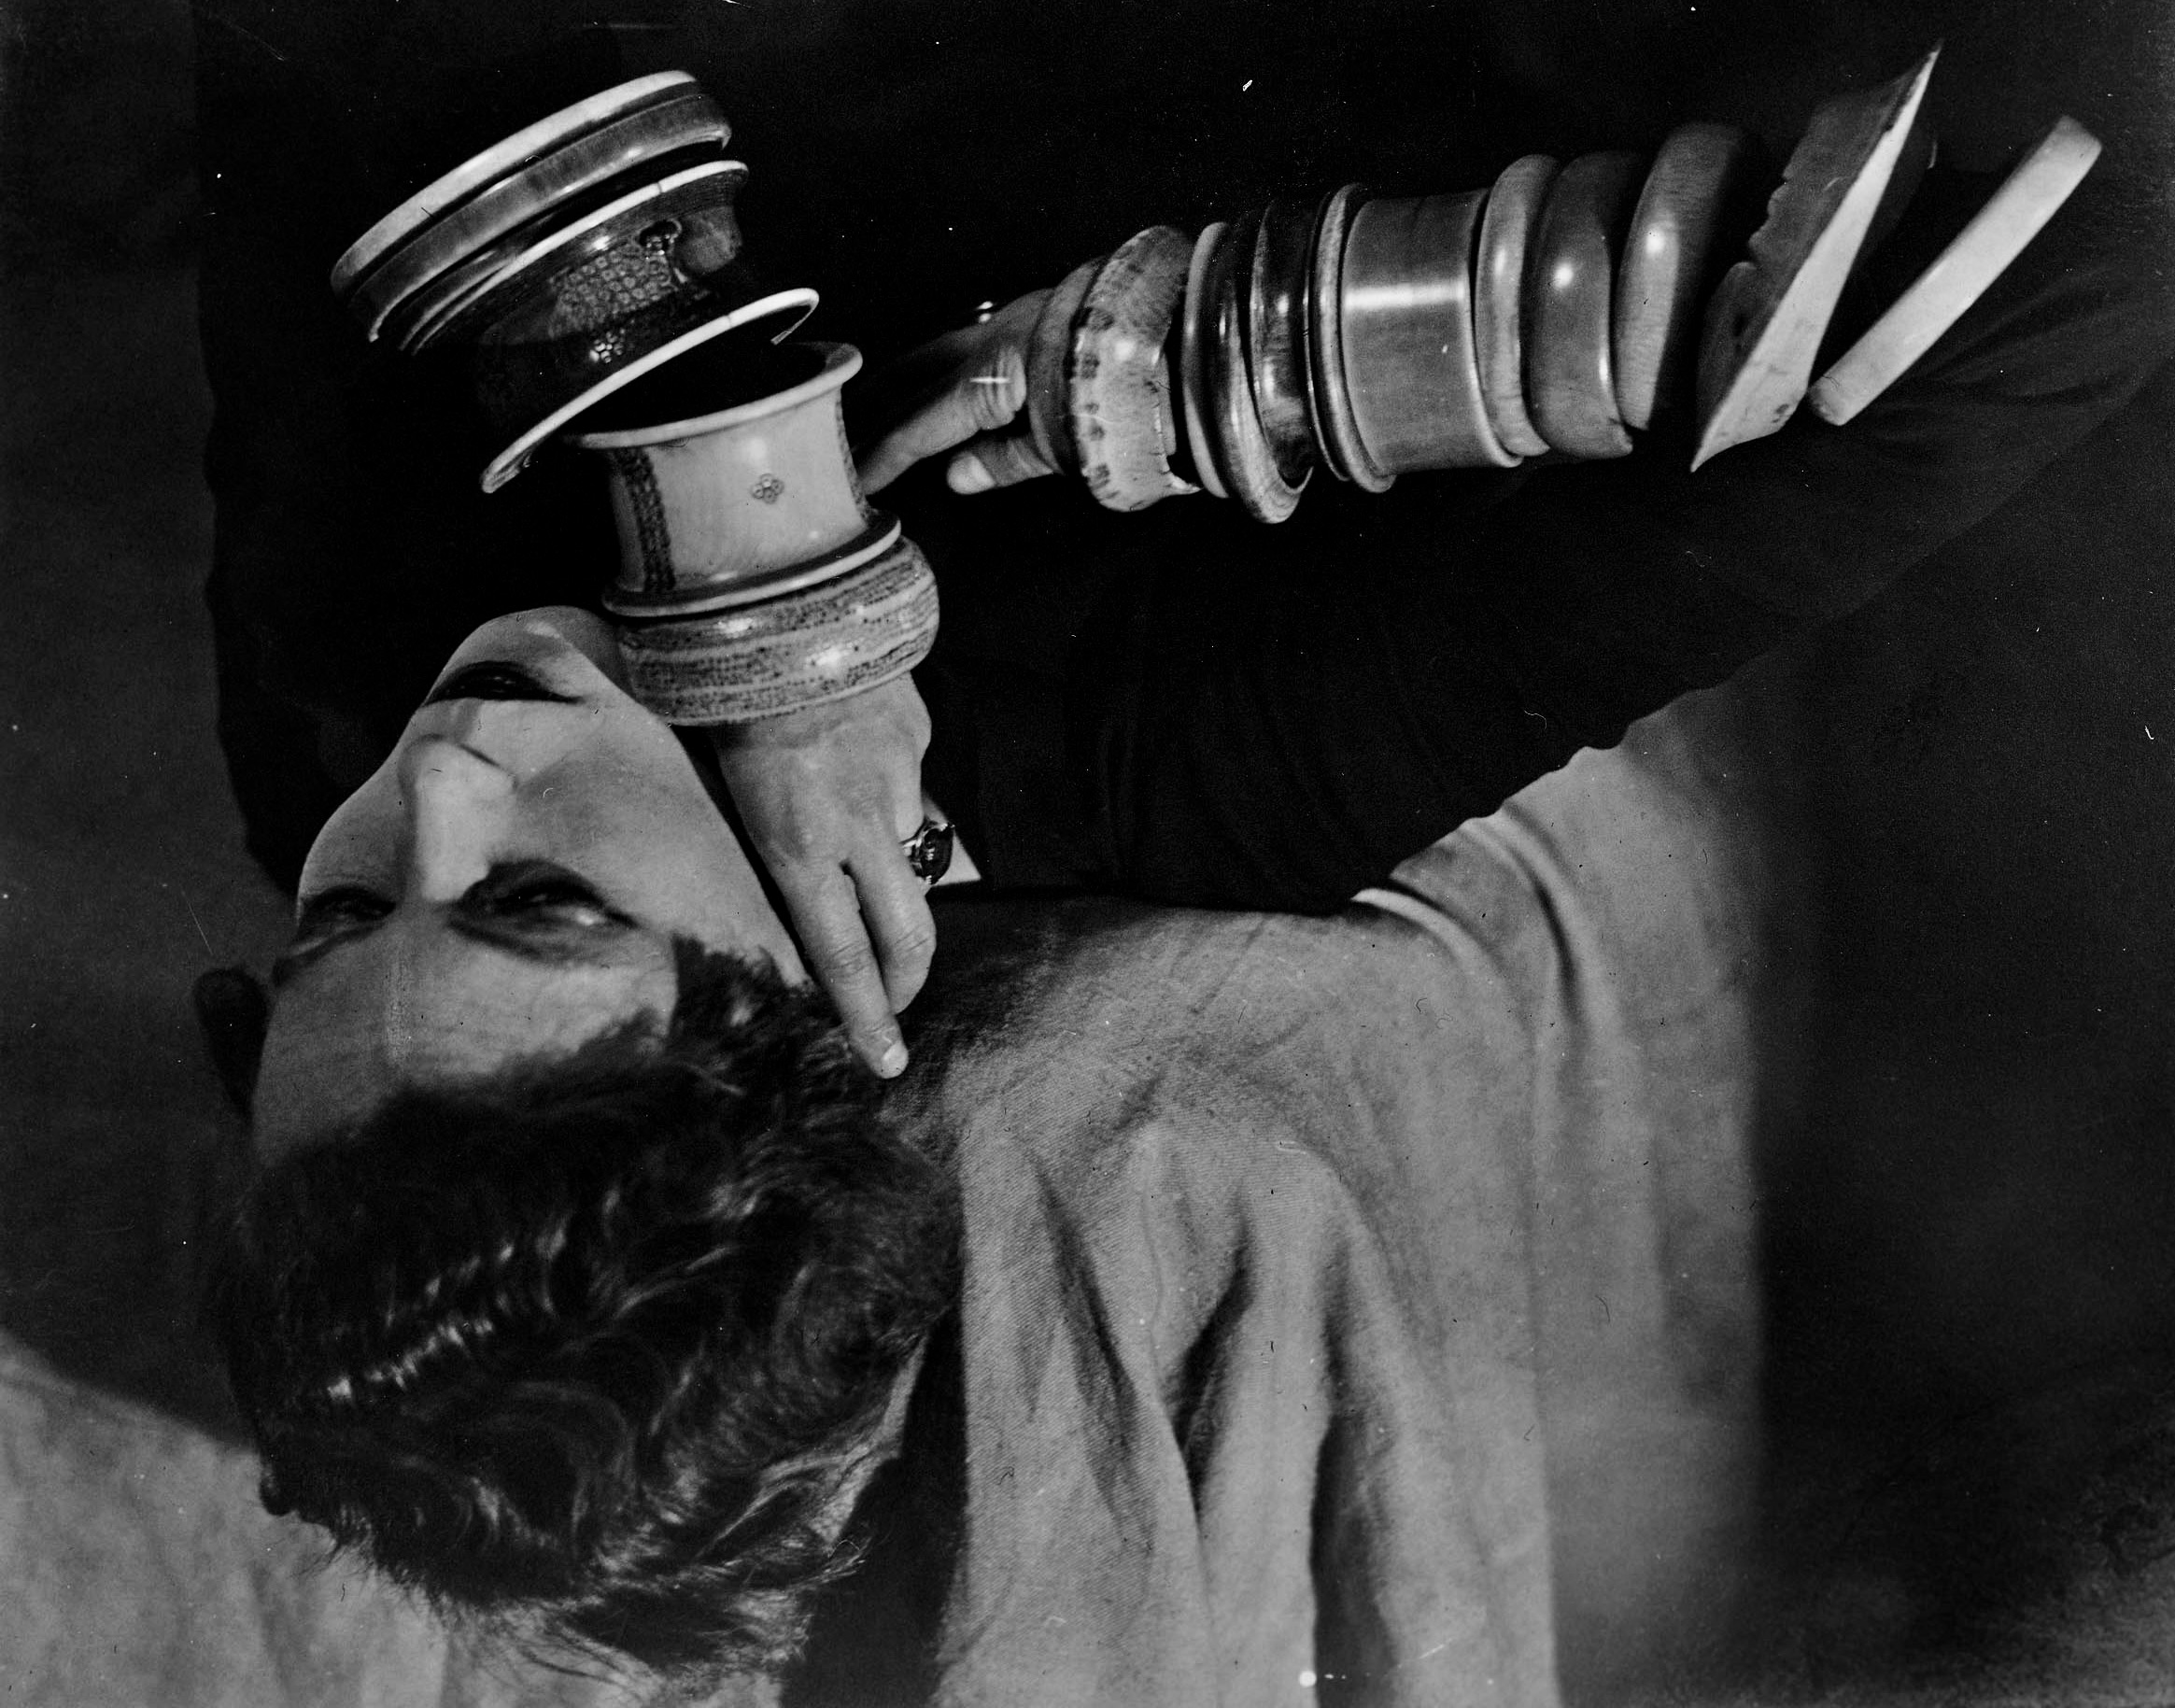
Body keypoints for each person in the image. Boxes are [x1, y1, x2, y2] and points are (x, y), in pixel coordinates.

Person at [190, 3, 2175, 1701]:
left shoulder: (338, 719)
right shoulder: (1180, 755)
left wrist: (750, 531)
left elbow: (289, 71)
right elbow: (2081, 267)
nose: (447, 774)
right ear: (822, 997)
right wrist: (1192, 359)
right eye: (541, 902)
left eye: (340, 917)